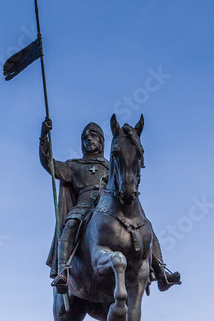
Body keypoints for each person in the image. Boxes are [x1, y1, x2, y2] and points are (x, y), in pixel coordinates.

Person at [39, 119, 180, 294]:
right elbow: (49, 164)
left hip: (110, 206)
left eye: (93, 136)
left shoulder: (110, 164)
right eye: (85, 137)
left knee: (144, 226)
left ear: (101, 141)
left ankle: (161, 272)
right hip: (84, 205)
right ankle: (63, 271)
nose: (89, 139)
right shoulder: (73, 165)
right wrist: (43, 136)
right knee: (71, 224)